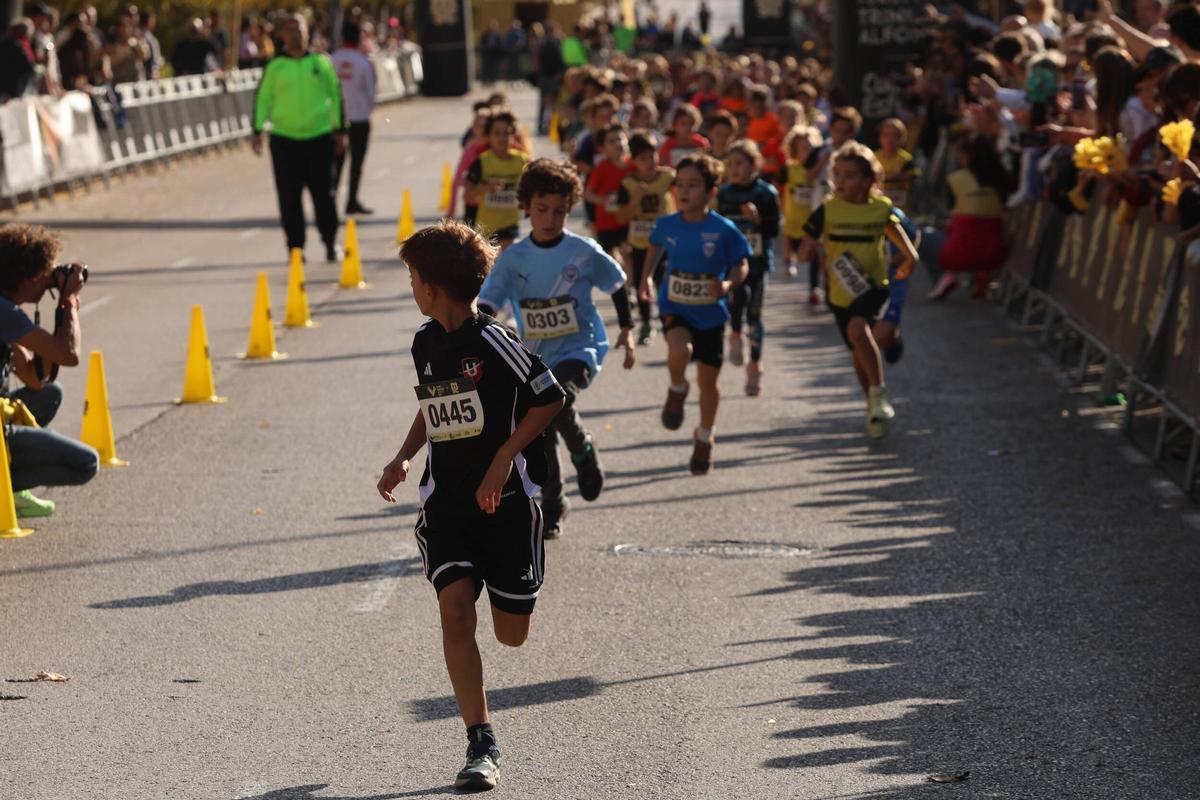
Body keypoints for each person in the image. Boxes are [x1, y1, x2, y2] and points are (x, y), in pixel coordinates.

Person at [377, 220, 565, 792]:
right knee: (455, 611)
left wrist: (505, 457)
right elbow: (434, 403)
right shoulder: (424, 341)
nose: (411, 287)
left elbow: (549, 396)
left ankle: (511, 590)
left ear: (432, 287)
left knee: (512, 634)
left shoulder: (494, 341)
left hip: (507, 506)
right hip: (448, 505)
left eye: (412, 277)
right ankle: (481, 740)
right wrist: (404, 456)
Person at [477, 159, 635, 538]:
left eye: (560, 211)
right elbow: (488, 303)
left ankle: (582, 449)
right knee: (540, 428)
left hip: (580, 348)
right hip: (534, 355)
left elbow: (616, 285)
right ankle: (554, 501)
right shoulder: (513, 258)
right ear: (526, 206)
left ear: (570, 209)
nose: (550, 218)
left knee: (559, 399)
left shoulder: (583, 251)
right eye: (542, 210)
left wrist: (628, 329)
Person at [796, 143, 918, 440]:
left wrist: (909, 259)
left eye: (849, 175)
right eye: (836, 174)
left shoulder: (881, 209)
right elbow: (802, 252)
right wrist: (808, 249)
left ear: (868, 180)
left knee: (857, 330)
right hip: (839, 292)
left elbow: (902, 240)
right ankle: (872, 405)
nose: (840, 181)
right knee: (857, 347)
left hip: (874, 286)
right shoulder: (827, 210)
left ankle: (878, 391)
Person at [639, 153, 750, 474]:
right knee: (678, 348)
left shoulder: (724, 230)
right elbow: (655, 247)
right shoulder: (666, 223)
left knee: (709, 383)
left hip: (712, 314)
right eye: (680, 186)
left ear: (711, 191)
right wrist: (646, 276)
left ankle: (705, 437)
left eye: (693, 185)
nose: (684, 192)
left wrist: (728, 284)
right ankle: (676, 388)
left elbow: (741, 262)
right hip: (675, 305)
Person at [0, 224, 100, 518]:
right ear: (30, 277)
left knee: (48, 395)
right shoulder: (4, 312)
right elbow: (68, 354)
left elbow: (34, 378)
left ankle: (11, 488)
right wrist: (68, 302)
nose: (51, 279)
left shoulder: (6, 310)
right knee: (85, 463)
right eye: (48, 271)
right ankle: (4, 487)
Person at [251, 14, 347, 262]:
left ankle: (329, 241)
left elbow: (335, 95)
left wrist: (340, 130)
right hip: (285, 139)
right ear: (282, 35)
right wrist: (257, 130)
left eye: (299, 29)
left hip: (319, 138)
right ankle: (296, 248)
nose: (295, 34)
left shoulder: (321, 62)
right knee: (289, 197)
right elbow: (263, 99)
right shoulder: (275, 66)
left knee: (324, 195)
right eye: (290, 30)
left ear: (307, 33)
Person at [717, 139, 780, 397]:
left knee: (754, 314)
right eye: (730, 164)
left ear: (754, 165)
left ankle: (755, 367)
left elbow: (774, 230)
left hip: (757, 263)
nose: (734, 169)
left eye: (740, 163)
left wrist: (758, 219)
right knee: (735, 303)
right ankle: (734, 334)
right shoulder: (724, 193)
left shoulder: (766, 194)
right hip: (731, 263)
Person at [930, 133, 1008, 300]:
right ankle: (981, 280)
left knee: (924, 236)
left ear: (966, 155)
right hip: (993, 253)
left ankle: (945, 277)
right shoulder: (1002, 177)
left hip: (957, 254)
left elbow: (954, 210)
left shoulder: (955, 178)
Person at [618, 131, 676, 344]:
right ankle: (646, 322)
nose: (649, 161)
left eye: (652, 155)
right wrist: (635, 199)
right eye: (643, 158)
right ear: (633, 161)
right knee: (644, 281)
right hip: (640, 242)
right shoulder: (628, 183)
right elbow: (621, 215)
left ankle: (667, 319)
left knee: (665, 282)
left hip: (666, 241)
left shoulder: (668, 177)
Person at [465, 110, 529, 249]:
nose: (502, 137)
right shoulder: (482, 162)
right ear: (489, 136)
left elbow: (532, 188)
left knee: (508, 261)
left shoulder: (522, 160)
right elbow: (467, 194)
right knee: (490, 267)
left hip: (510, 223)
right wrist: (485, 188)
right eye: (497, 133)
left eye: (507, 133)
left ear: (513, 135)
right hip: (486, 226)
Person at [332, 22, 377, 216]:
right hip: (359, 118)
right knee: (356, 162)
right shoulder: (364, 62)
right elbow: (371, 91)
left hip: (335, 120)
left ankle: (330, 201)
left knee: (335, 163)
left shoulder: (331, 60)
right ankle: (351, 200)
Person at [783, 125, 823, 292]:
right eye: (804, 148)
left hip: (812, 221)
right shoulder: (792, 169)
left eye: (812, 148)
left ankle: (814, 287)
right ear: (795, 150)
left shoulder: (822, 171)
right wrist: (824, 159)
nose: (809, 151)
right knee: (791, 242)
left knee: (815, 256)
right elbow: (809, 176)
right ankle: (788, 260)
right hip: (794, 221)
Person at [583, 122, 632, 260]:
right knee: (611, 257)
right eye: (611, 141)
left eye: (620, 139)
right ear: (602, 148)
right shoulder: (601, 169)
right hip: (606, 222)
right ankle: (617, 281)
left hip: (627, 220)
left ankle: (628, 282)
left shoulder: (633, 167)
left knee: (627, 255)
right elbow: (588, 194)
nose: (618, 143)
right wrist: (603, 200)